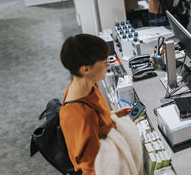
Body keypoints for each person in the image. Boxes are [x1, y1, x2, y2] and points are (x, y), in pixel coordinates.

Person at [59, 34, 142, 174]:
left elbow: (97, 121)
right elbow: (91, 168)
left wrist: (116, 116)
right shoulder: (77, 116)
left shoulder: (88, 85)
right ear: (85, 69)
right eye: (103, 62)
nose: (108, 64)